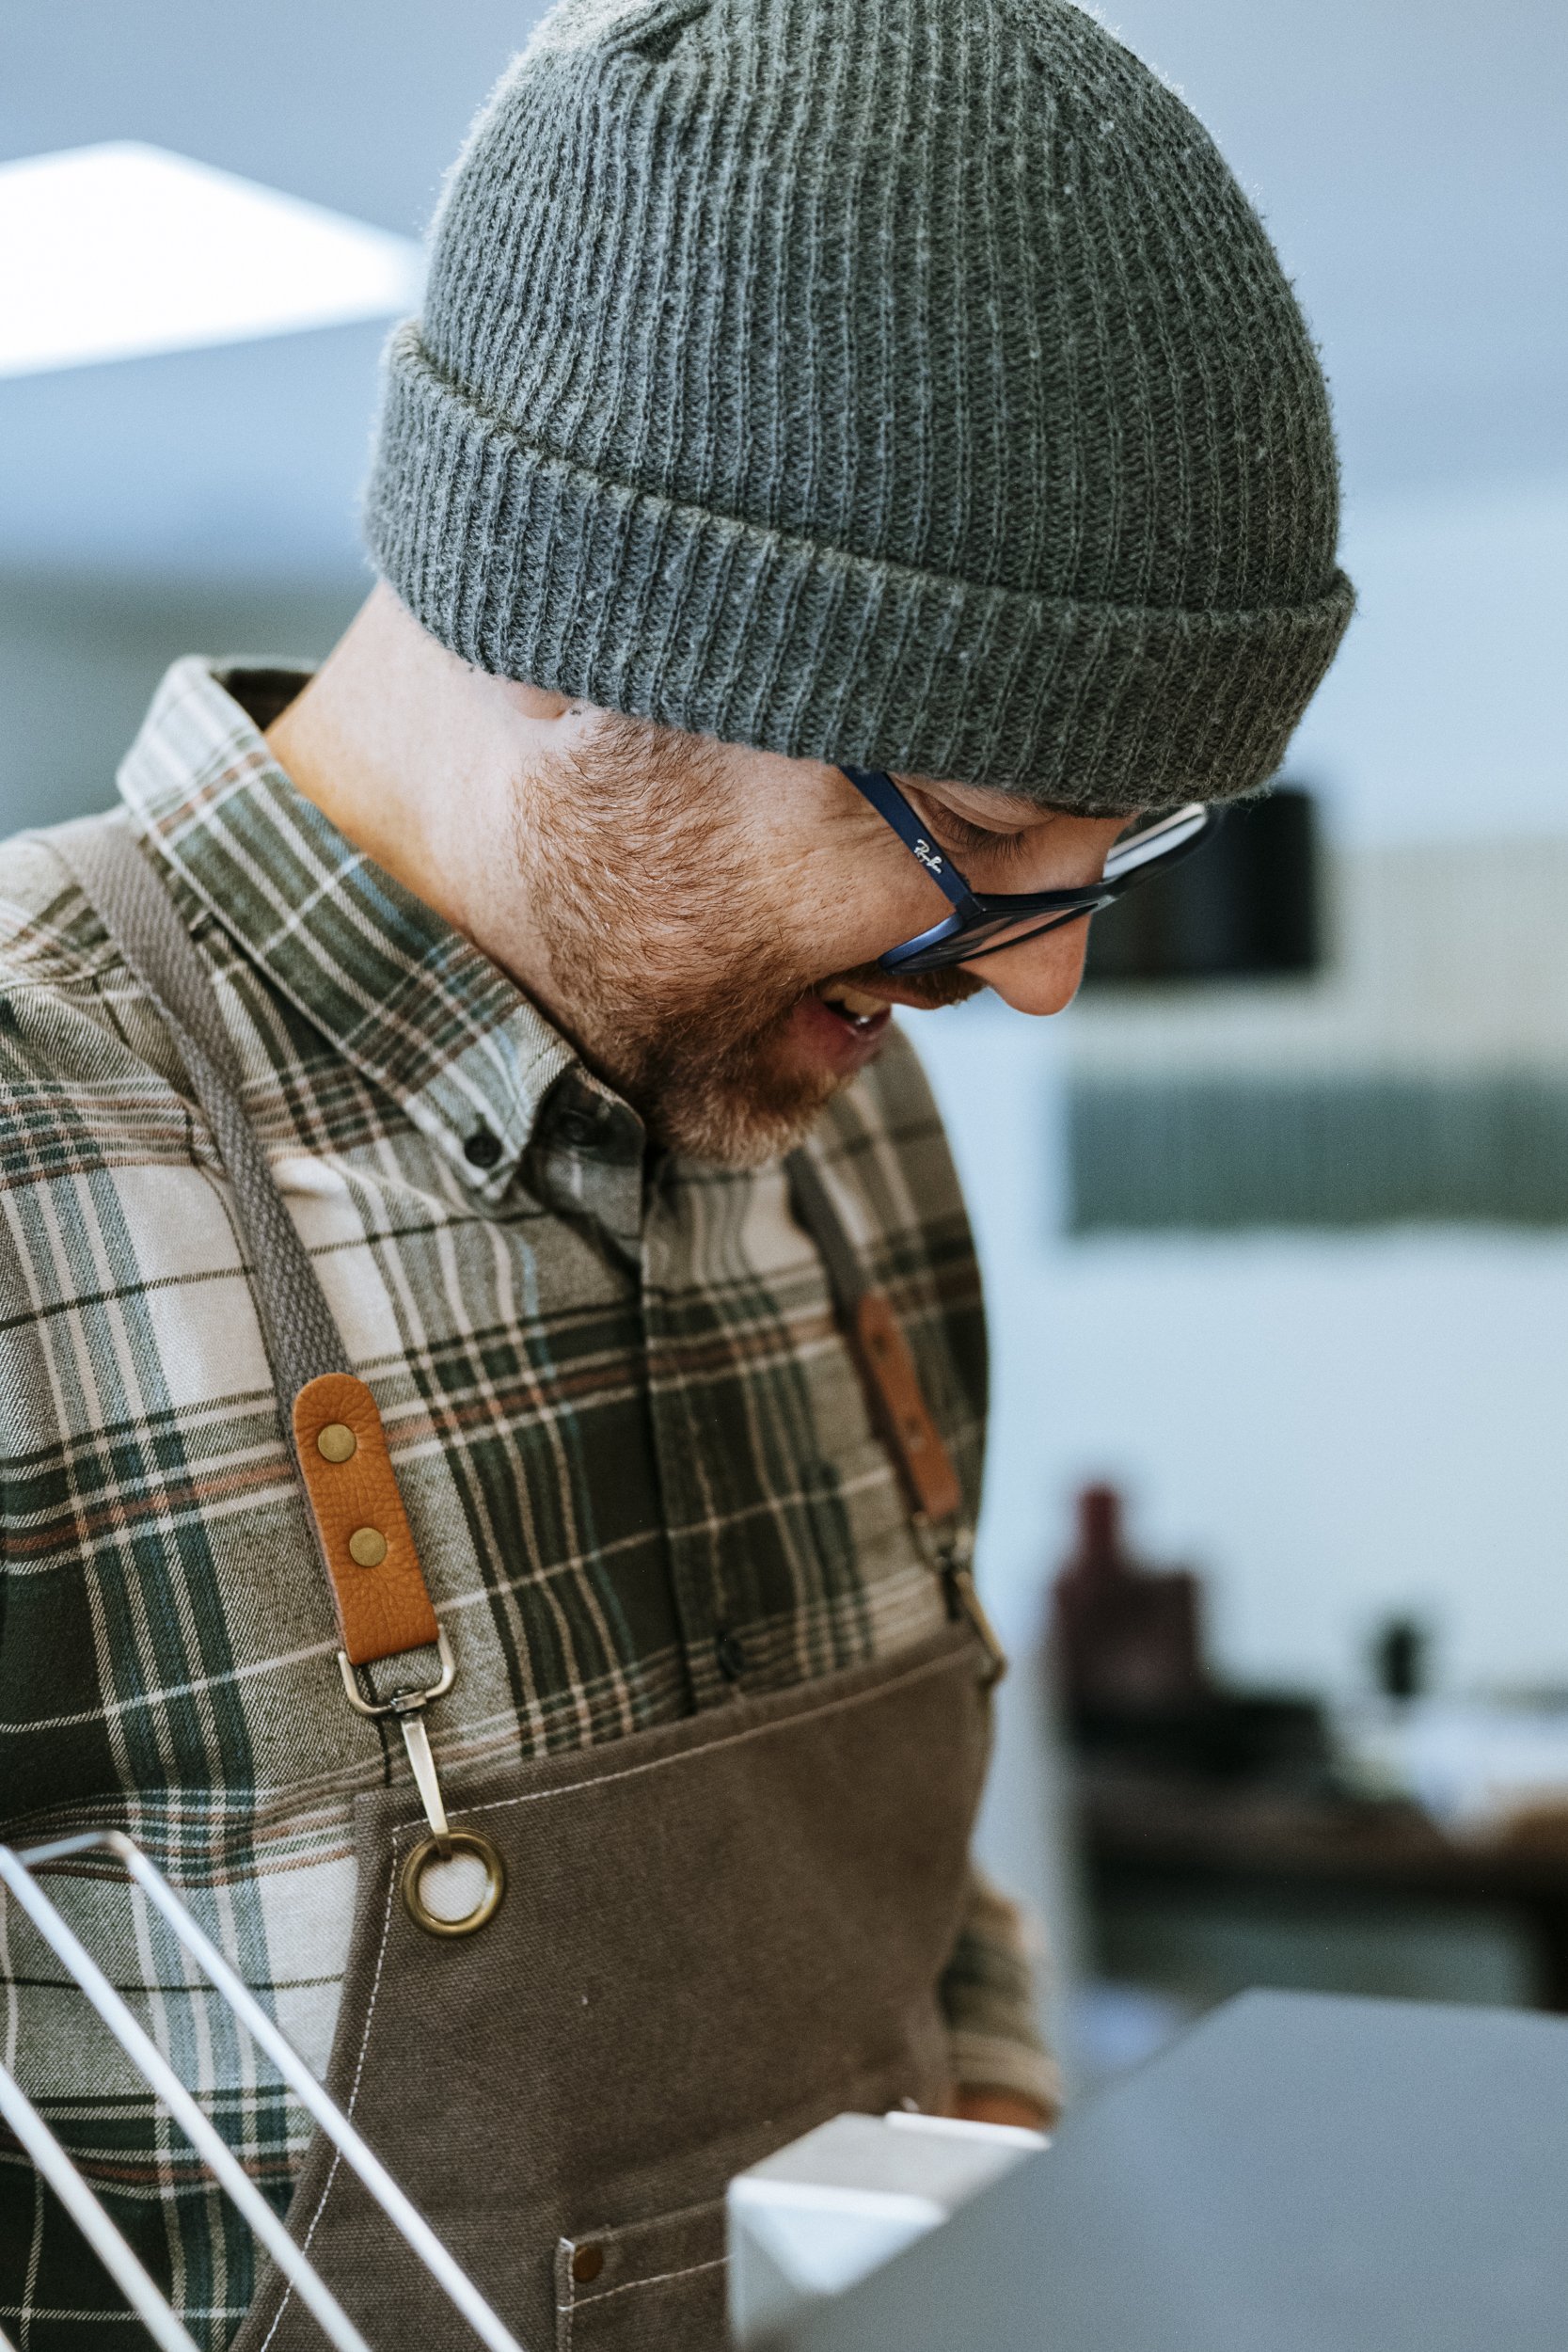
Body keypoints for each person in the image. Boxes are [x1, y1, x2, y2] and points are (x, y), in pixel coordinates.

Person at [0, 0, 1352, 2344]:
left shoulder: (849, 1120)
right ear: (572, 623)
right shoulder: (34, 1163)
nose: (1031, 987)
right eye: (986, 833)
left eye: (1103, 861)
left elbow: (916, 1917)